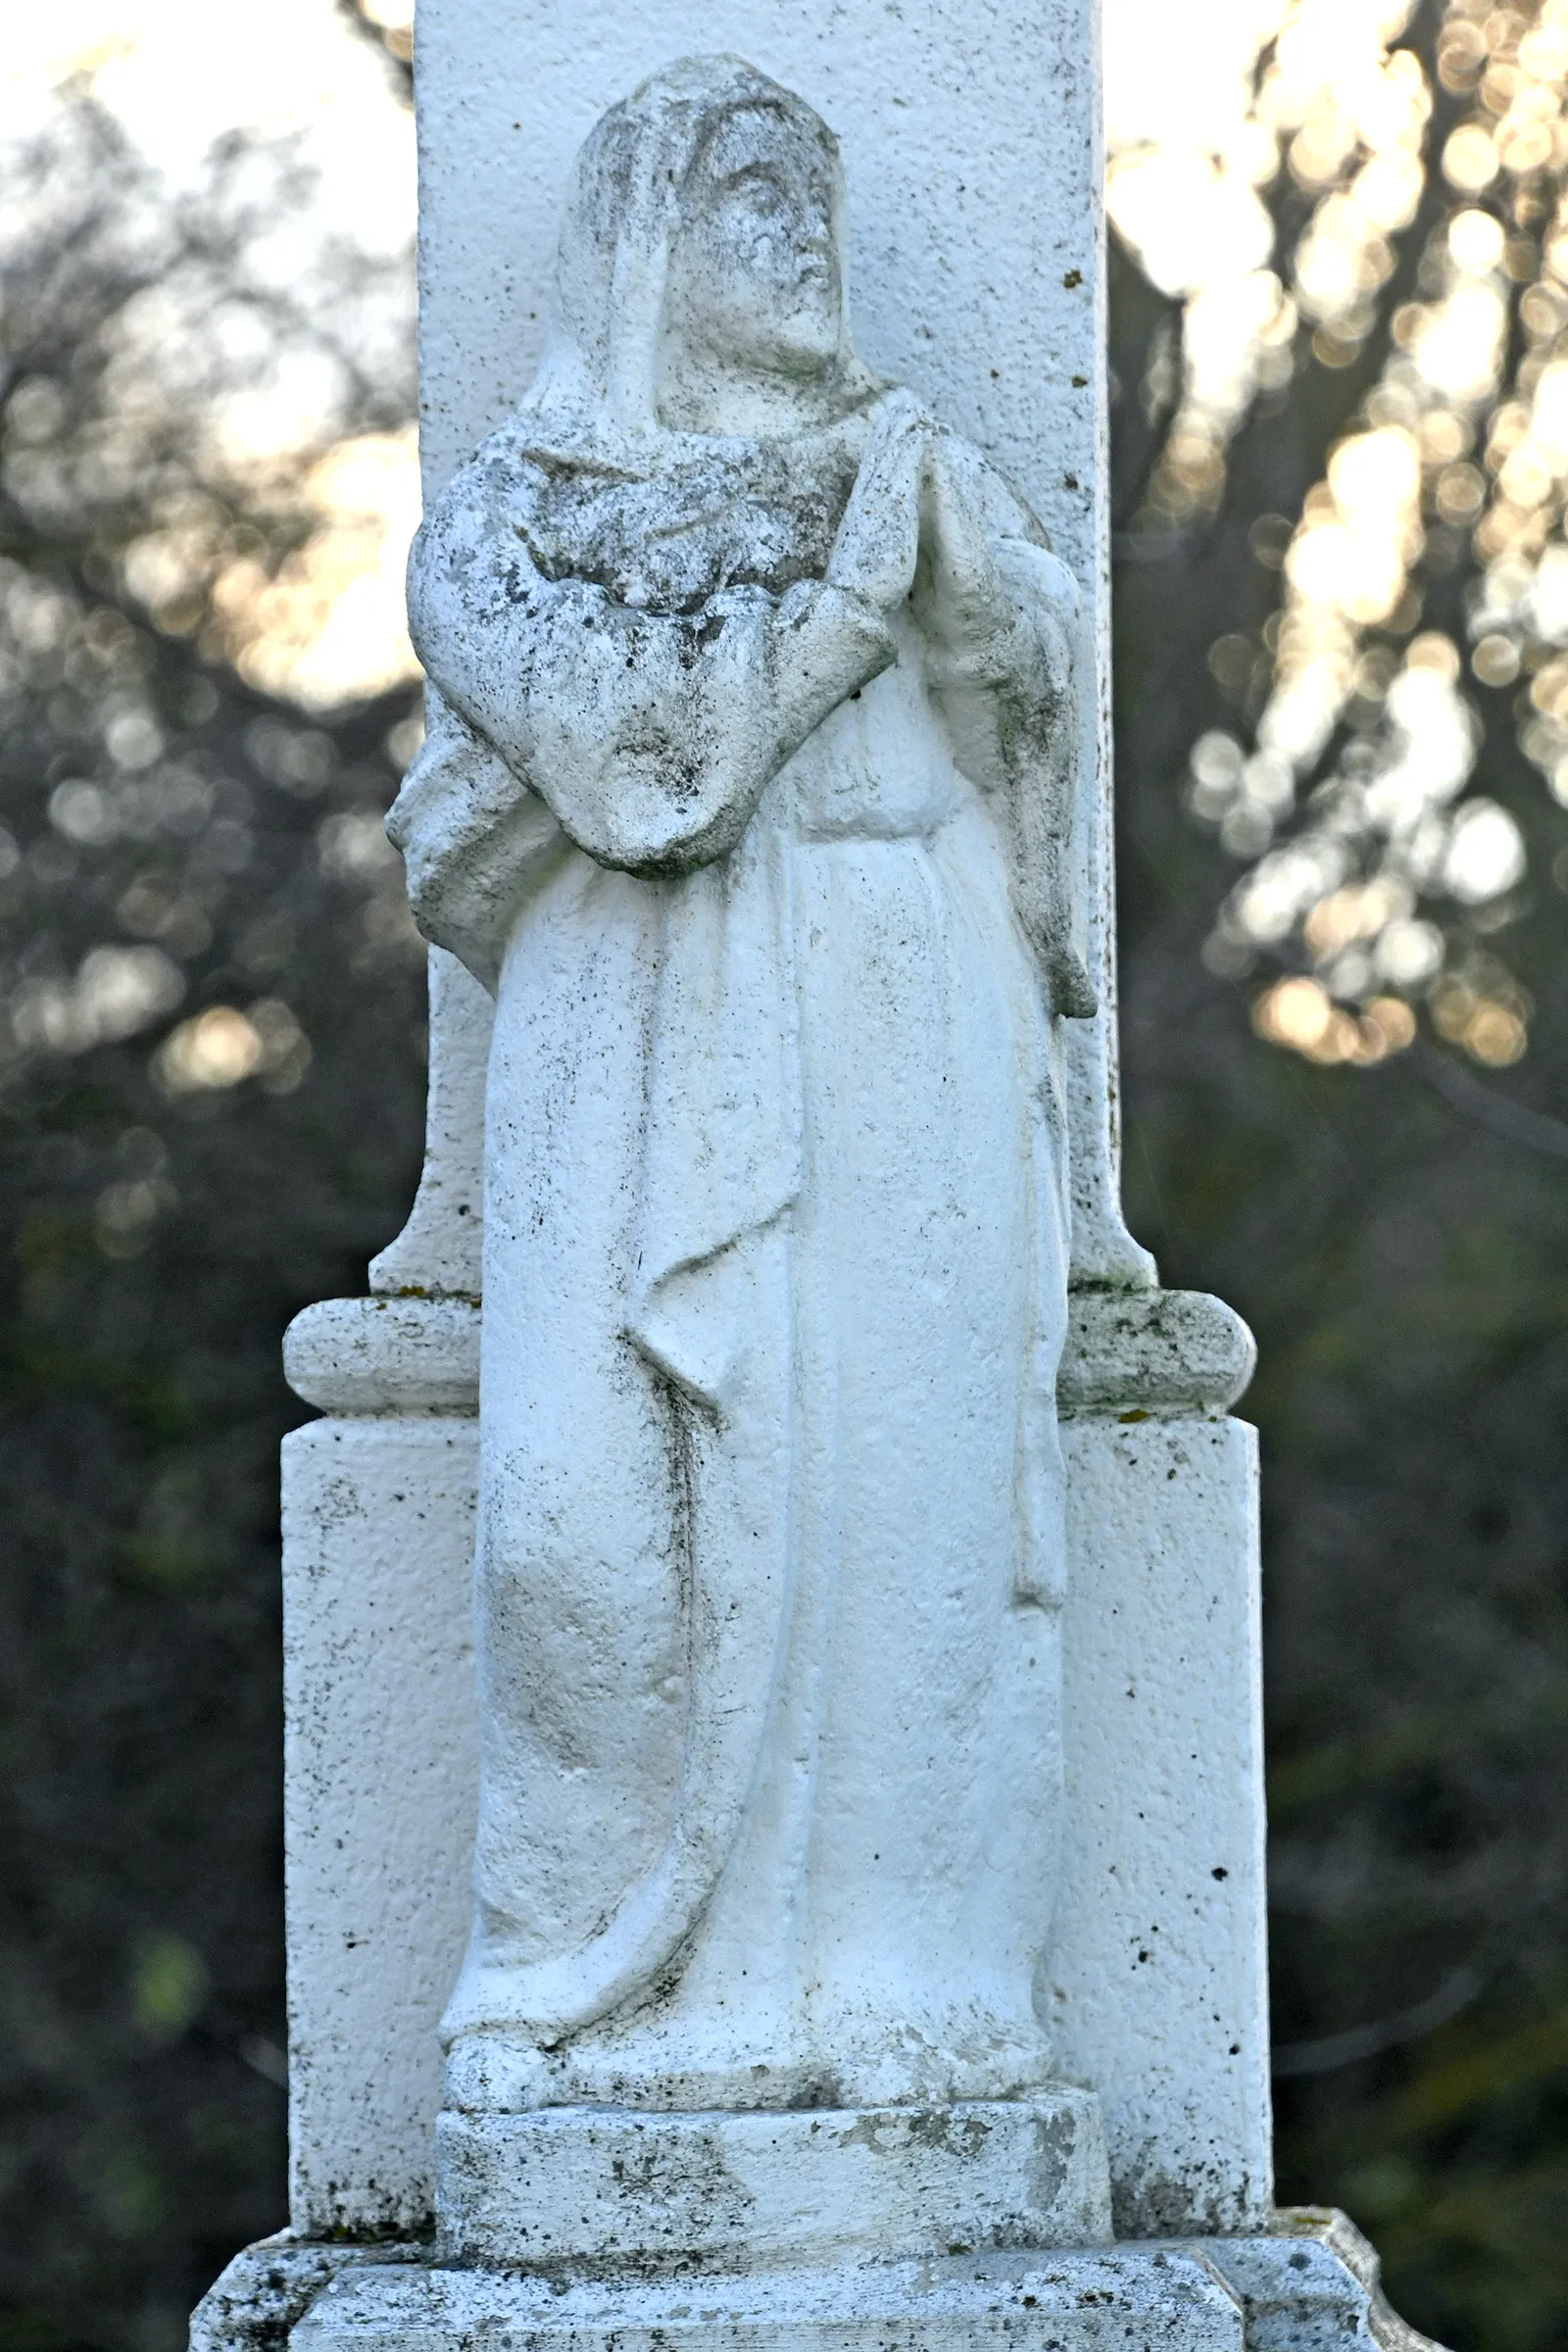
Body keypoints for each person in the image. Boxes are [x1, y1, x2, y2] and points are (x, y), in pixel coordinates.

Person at [389, 53, 1096, 2118]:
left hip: (899, 994)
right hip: (617, 1038)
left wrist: (987, 623)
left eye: (817, 201)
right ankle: (574, 1994)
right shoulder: (504, 523)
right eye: (750, 197)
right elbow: (635, 769)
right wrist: (853, 605)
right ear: (640, 243)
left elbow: (1036, 716)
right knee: (569, 1531)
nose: (803, 242)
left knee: (910, 1495)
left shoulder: (912, 468)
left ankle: (910, 1984)